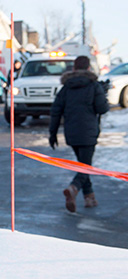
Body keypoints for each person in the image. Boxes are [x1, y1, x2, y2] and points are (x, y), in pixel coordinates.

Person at [49, 55, 109, 212]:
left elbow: (56, 111)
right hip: (88, 133)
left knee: (83, 163)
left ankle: (90, 198)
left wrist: (52, 133)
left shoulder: (66, 88)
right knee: (85, 166)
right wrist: (103, 94)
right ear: (89, 68)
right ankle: (73, 188)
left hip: (72, 133)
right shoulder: (94, 86)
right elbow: (102, 109)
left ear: (74, 68)